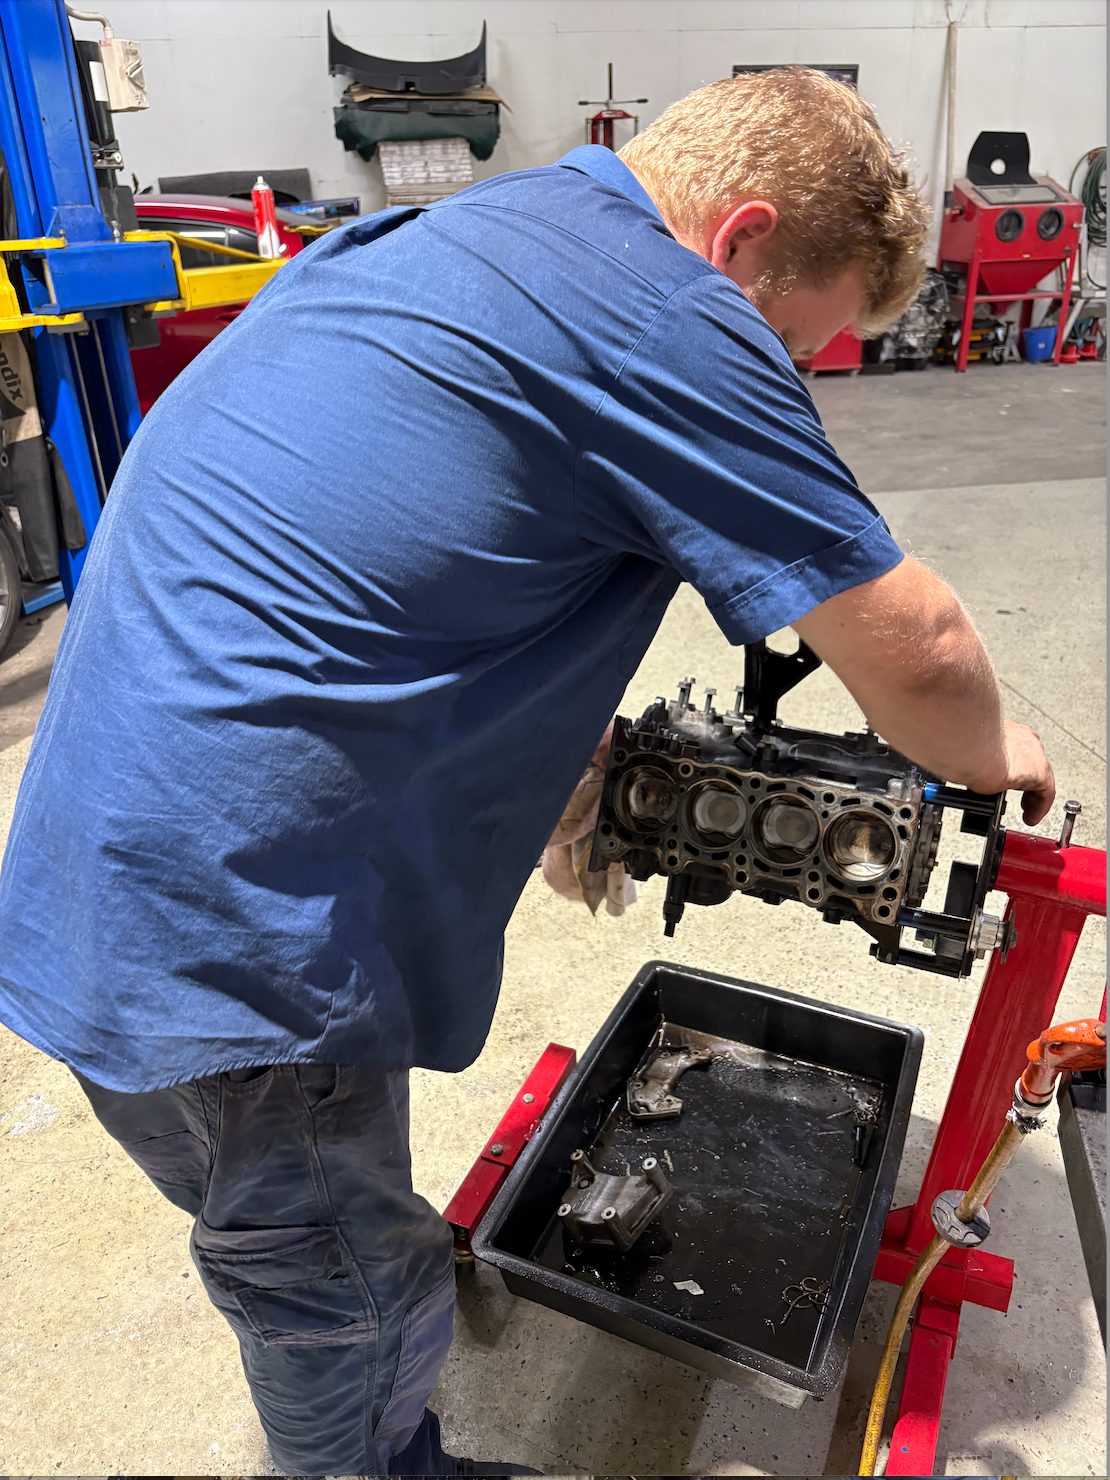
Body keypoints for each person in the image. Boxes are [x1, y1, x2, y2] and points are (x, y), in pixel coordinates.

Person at [0, 67, 1053, 1476]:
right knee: (333, 1289)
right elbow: (913, 649)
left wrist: (559, 752)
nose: (784, 378)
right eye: (794, 343)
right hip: (232, 939)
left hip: (101, 862)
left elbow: (395, 551)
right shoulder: (665, 307)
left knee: (300, 1222)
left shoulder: (444, 241)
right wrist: (999, 753)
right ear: (739, 238)